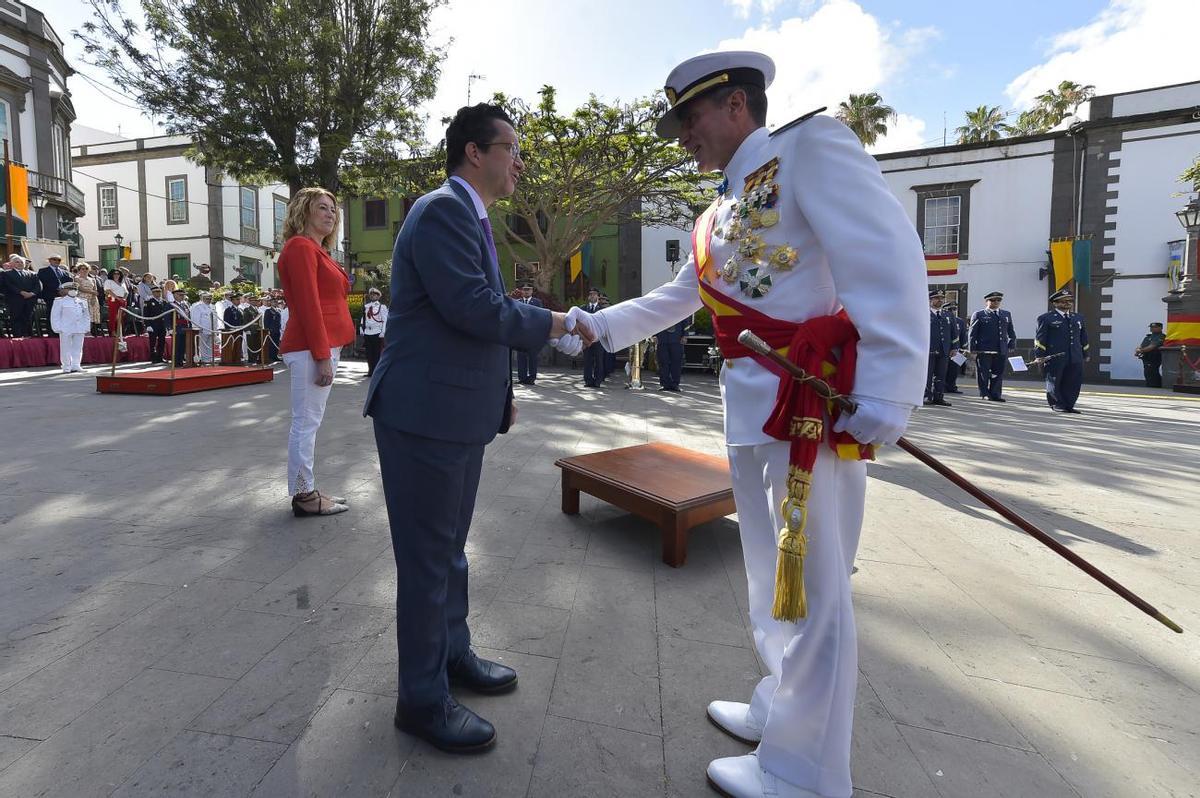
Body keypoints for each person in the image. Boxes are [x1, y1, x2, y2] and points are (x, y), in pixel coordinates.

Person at [565, 52, 927, 798]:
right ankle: (780, 708)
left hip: (809, 415)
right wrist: (595, 326)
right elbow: (678, 298)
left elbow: (885, 255)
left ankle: (804, 772)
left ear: (736, 104)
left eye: (690, 118)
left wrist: (889, 387)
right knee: (770, 580)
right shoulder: (714, 214)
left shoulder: (809, 150)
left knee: (816, 592)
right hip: (752, 413)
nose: (683, 137)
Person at [363, 103, 585, 755]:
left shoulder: (469, 215)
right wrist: (556, 323)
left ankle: (451, 655)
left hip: (453, 410)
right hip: (423, 415)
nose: (519, 162)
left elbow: (468, 323)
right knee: (428, 560)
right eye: (511, 148)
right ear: (474, 152)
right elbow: (473, 308)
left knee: (449, 552)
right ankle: (421, 699)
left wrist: (498, 394)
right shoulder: (442, 211)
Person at [278, 188, 355, 517]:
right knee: (306, 422)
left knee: (310, 421)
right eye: (322, 207)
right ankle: (304, 495)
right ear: (303, 212)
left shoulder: (315, 249)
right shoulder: (300, 247)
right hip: (311, 348)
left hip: (319, 346)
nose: (330, 214)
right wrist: (322, 355)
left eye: (333, 209)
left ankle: (307, 489)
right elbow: (309, 305)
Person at [1035, 288, 1089, 413]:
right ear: (1055, 303)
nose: (1067, 303)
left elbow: (1083, 337)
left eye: (1070, 301)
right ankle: (1057, 404)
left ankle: (1069, 405)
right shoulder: (1046, 318)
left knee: (1073, 382)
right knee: (1054, 381)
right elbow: (1040, 339)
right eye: (1063, 301)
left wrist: (1086, 353)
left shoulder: (1078, 317)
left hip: (1075, 355)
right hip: (1055, 356)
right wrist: (1039, 355)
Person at [968, 291, 1016, 401]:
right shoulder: (979, 314)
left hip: (1001, 348)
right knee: (983, 373)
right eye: (993, 300)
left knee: (998, 372)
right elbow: (972, 333)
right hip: (984, 349)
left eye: (998, 300)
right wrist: (972, 349)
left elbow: (1011, 330)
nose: (996, 302)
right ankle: (984, 393)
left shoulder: (1006, 314)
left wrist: (1012, 342)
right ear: (987, 302)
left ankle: (995, 394)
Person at [925, 289, 956, 406]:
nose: (940, 300)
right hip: (929, 349)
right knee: (927, 375)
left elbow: (954, 333)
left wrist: (954, 347)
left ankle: (939, 397)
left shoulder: (948, 315)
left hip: (944, 349)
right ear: (930, 300)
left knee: (941, 375)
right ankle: (926, 396)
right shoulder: (924, 313)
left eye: (942, 298)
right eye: (937, 298)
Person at [50, 282, 90, 371]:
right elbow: (55, 315)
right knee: (65, 347)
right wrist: (57, 327)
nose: (73, 291)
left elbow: (86, 315)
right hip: (66, 327)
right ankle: (66, 366)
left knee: (78, 347)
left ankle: (76, 364)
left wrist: (86, 326)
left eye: (75, 289)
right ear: (65, 290)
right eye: (71, 289)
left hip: (79, 327)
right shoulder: (59, 301)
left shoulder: (82, 301)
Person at [1, 255, 39, 337]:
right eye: (17, 262)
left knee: (28, 319)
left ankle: (27, 336)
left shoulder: (33, 274)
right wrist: (20, 292)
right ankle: (17, 337)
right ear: (12, 264)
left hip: (29, 300)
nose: (20, 263)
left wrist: (31, 293)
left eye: (21, 262)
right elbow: (8, 285)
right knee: (16, 319)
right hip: (15, 300)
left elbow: (38, 286)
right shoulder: (6, 274)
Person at [37, 255, 72, 338]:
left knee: (63, 316)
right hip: (50, 297)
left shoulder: (65, 272)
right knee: (52, 315)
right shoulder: (43, 271)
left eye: (58, 260)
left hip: (64, 297)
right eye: (54, 259)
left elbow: (69, 283)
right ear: (50, 260)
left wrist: (65, 291)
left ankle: (62, 333)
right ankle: (52, 334)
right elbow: (44, 282)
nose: (56, 261)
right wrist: (58, 289)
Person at [514, 283, 542, 384]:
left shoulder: (537, 302)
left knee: (532, 357)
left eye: (528, 289)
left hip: (532, 333)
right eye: (524, 289)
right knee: (521, 356)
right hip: (521, 333)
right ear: (521, 291)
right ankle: (522, 377)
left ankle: (531, 378)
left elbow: (540, 317)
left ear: (532, 291)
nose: (526, 291)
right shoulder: (517, 302)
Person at [359, 286, 388, 377]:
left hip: (377, 332)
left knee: (376, 353)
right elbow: (364, 318)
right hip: (368, 332)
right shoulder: (367, 306)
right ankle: (370, 371)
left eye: (374, 294)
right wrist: (361, 328)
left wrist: (383, 332)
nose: (372, 296)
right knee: (369, 353)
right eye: (371, 294)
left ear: (378, 296)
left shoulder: (382, 307)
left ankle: (376, 371)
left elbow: (384, 320)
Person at [655, 318, 687, 391]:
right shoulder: (659, 309)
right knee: (663, 362)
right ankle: (664, 384)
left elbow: (685, 320)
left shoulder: (680, 310)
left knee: (676, 362)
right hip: (662, 338)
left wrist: (685, 335)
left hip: (677, 338)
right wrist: (654, 335)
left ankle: (675, 384)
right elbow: (654, 320)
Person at [941, 301, 967, 393]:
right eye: (950, 309)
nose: (952, 311)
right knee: (943, 370)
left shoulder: (960, 321)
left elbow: (963, 335)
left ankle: (952, 387)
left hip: (957, 350)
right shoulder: (942, 319)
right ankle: (942, 387)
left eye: (954, 309)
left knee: (954, 370)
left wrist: (964, 348)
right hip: (945, 349)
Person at [581, 287, 605, 387]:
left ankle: (597, 381)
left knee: (599, 360)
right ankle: (588, 380)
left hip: (598, 339)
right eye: (590, 294)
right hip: (586, 339)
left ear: (598, 297)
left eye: (594, 294)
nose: (592, 296)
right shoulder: (583, 308)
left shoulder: (602, 310)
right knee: (587, 360)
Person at [73, 263, 102, 336]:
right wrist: (92, 292)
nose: (85, 270)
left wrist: (93, 297)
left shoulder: (92, 279)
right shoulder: (76, 279)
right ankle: (83, 332)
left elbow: (95, 289)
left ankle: (88, 331)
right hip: (82, 299)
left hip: (92, 299)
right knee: (83, 315)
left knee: (91, 316)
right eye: (82, 269)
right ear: (79, 270)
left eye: (86, 268)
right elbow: (80, 288)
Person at [190, 291, 218, 365]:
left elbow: (215, 319)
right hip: (203, 330)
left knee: (210, 345)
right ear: (203, 298)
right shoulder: (198, 307)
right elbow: (195, 319)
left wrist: (215, 330)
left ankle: (209, 359)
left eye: (210, 299)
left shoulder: (212, 306)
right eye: (207, 299)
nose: (209, 300)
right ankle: (204, 360)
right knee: (203, 346)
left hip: (211, 329)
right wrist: (197, 328)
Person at [142, 285, 169, 364]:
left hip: (162, 324)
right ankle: (153, 357)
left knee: (162, 341)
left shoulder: (164, 302)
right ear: (153, 293)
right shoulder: (148, 302)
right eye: (156, 292)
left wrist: (167, 326)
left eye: (159, 292)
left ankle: (160, 357)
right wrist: (148, 325)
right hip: (153, 324)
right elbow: (146, 314)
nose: (158, 293)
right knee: (152, 341)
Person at [1136, 322, 1166, 388]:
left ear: (1160, 328)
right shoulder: (1147, 337)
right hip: (1146, 358)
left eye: (1155, 327)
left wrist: (1140, 350)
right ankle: (1150, 386)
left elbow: (1152, 347)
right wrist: (1137, 350)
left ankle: (1156, 386)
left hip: (1154, 357)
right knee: (1147, 373)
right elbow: (1141, 346)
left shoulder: (1161, 336)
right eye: (1151, 327)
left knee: (1152, 372)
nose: (1152, 329)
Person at [104, 268, 131, 337]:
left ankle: (120, 332)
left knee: (120, 317)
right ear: (112, 274)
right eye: (114, 273)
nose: (116, 275)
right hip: (113, 299)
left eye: (118, 274)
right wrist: (118, 298)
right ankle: (112, 331)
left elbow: (126, 292)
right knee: (113, 316)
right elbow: (108, 291)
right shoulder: (108, 281)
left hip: (122, 300)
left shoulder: (122, 282)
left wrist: (124, 299)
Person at [168, 288, 191, 366]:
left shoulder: (185, 305)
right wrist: (170, 328)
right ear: (175, 295)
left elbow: (188, 317)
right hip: (177, 328)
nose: (182, 297)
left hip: (185, 327)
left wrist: (190, 326)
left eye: (183, 295)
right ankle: (176, 362)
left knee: (183, 345)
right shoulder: (171, 305)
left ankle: (181, 360)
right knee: (177, 345)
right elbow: (167, 317)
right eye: (180, 295)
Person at [221, 292, 246, 366]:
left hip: (239, 331)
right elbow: (226, 322)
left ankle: (237, 359)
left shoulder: (240, 310)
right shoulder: (228, 310)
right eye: (237, 299)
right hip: (232, 332)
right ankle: (231, 359)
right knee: (232, 346)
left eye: (239, 299)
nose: (239, 301)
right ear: (232, 300)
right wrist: (229, 331)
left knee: (238, 346)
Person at [263, 298, 283, 363]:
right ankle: (270, 357)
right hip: (271, 330)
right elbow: (266, 321)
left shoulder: (278, 310)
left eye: (276, 302)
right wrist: (267, 329)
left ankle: (275, 356)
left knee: (276, 343)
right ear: (271, 303)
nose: (275, 303)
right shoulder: (268, 311)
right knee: (271, 344)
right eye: (274, 302)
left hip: (277, 330)